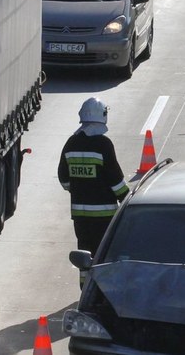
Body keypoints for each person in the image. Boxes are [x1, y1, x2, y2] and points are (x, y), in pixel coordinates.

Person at [57, 97, 130, 255]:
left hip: (80, 216)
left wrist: (79, 187)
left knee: (85, 256)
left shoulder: (71, 143)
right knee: (102, 255)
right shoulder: (103, 144)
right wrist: (127, 199)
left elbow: (63, 179)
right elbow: (116, 181)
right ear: (103, 116)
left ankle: (85, 281)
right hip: (104, 215)